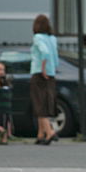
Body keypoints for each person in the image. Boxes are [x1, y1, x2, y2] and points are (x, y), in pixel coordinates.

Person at [30, 14, 59, 145]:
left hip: (39, 73)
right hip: (51, 73)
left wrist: (43, 68)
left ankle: (49, 132)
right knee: (46, 102)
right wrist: (52, 69)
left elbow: (45, 52)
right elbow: (55, 56)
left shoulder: (37, 38)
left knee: (39, 103)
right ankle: (40, 134)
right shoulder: (53, 38)